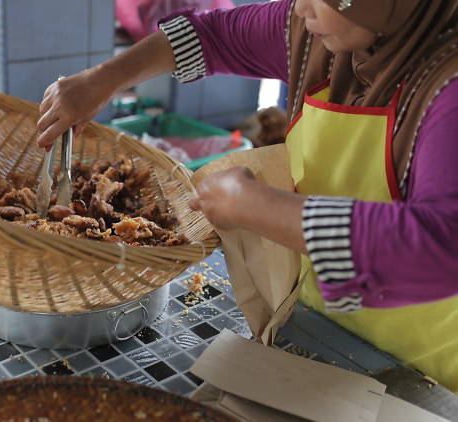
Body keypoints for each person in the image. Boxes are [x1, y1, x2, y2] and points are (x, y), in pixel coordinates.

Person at [37, 0, 458, 394]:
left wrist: (255, 206)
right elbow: (211, 36)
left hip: (427, 373)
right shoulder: (319, 33)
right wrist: (102, 80)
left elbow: (441, 245)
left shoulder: (448, 85)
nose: (299, 8)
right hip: (324, 323)